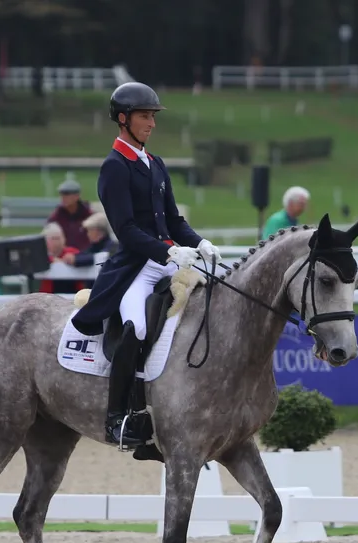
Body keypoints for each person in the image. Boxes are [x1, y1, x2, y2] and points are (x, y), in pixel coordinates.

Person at [70, 81, 222, 447]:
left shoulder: (155, 164)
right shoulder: (114, 167)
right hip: (136, 267)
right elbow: (125, 230)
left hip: (168, 261)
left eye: (153, 116)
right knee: (135, 328)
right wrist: (168, 252)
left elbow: (173, 221)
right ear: (123, 119)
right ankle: (117, 418)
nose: (151, 123)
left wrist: (199, 242)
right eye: (144, 116)